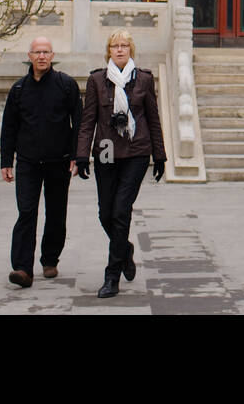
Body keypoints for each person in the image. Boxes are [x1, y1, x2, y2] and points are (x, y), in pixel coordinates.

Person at [75, 29, 165, 299]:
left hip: (136, 151)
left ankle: (112, 275)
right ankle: (124, 250)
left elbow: (153, 118)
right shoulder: (97, 80)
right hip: (105, 150)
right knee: (105, 213)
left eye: (125, 45)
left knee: (121, 211)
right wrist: (81, 155)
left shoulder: (144, 80)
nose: (120, 49)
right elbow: (88, 120)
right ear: (108, 51)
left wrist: (159, 155)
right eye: (115, 45)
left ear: (131, 49)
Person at [0, 37, 81, 288]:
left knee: (56, 213)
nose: (42, 56)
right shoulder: (19, 89)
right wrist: (6, 160)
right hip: (28, 162)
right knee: (26, 212)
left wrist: (78, 156)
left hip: (59, 161)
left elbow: (78, 123)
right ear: (30, 56)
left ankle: (49, 260)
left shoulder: (66, 85)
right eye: (37, 52)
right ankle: (23, 268)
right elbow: (9, 127)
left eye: (46, 52)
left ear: (53, 55)